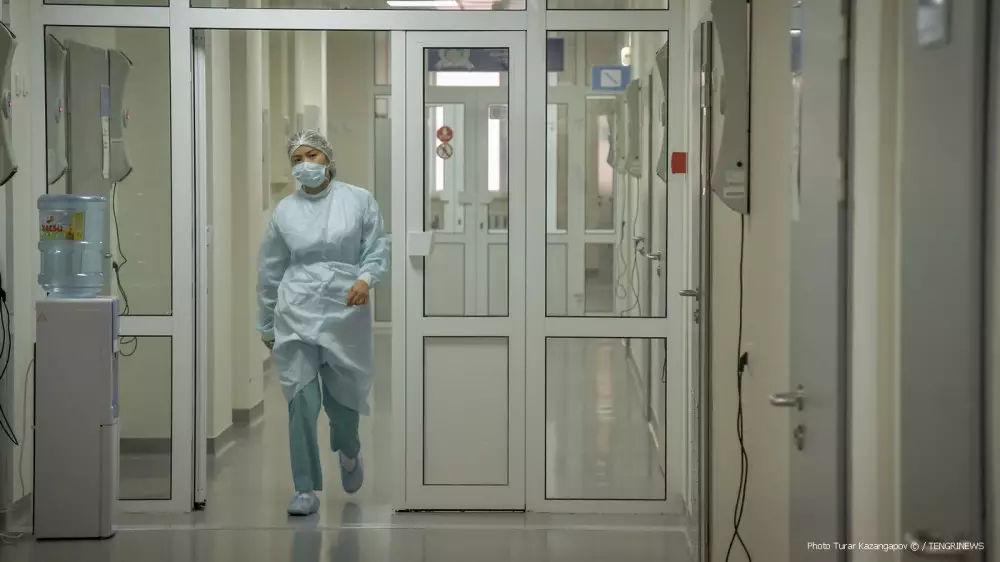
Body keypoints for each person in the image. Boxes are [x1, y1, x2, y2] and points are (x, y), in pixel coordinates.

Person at [256, 130, 390, 516]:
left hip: (344, 311)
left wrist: (365, 279)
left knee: (343, 403)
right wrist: (266, 322)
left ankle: (349, 450)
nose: (304, 165)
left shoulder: (358, 200)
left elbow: (376, 247)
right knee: (301, 401)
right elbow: (269, 269)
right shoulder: (285, 211)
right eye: (297, 159)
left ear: (327, 158)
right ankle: (305, 488)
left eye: (311, 156)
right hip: (296, 310)